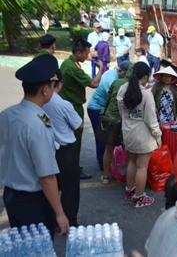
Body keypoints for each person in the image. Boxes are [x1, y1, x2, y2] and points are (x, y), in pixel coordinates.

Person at [0, 55, 70, 238]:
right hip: (33, 202)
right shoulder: (38, 124)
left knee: (23, 247)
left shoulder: (6, 114)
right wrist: (60, 213)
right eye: (52, 86)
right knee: (39, 249)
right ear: (45, 90)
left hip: (11, 196)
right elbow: (47, 177)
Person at [117, 62, 162, 207]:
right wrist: (158, 136)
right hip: (142, 136)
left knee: (132, 162)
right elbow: (151, 120)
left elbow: (122, 113)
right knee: (142, 167)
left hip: (128, 133)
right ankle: (139, 198)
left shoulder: (123, 89)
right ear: (145, 77)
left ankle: (130, 190)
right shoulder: (146, 95)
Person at [42, 70, 83, 227]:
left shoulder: (40, 102)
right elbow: (79, 124)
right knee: (70, 189)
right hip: (65, 151)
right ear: (59, 84)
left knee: (51, 186)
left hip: (48, 149)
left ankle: (51, 218)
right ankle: (70, 221)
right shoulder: (62, 104)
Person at [59, 38, 104, 180]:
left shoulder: (69, 63)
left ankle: (68, 167)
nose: (87, 56)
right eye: (85, 54)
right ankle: (74, 170)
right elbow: (94, 84)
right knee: (75, 140)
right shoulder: (73, 68)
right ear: (78, 53)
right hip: (73, 107)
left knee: (67, 139)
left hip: (67, 105)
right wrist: (101, 69)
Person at [87, 61, 132, 170]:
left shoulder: (117, 76)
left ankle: (108, 162)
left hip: (104, 107)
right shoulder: (111, 80)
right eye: (126, 75)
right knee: (103, 138)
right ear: (120, 71)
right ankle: (103, 165)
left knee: (107, 139)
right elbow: (115, 101)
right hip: (97, 108)